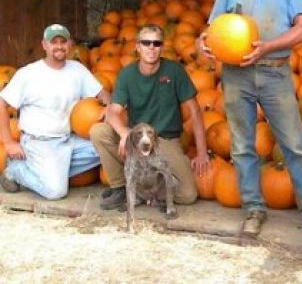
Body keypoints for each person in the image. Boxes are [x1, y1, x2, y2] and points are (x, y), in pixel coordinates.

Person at [197, 0, 302, 242]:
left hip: (274, 70)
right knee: (242, 145)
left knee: (294, 144)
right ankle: (254, 209)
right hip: (236, 74)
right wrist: (203, 42)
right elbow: (213, 28)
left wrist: (268, 46)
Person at [90, 24, 209, 210]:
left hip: (164, 139)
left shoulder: (175, 71)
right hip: (137, 138)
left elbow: (194, 111)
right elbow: (113, 111)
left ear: (162, 47)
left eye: (156, 43)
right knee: (99, 131)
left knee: (188, 195)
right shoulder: (127, 74)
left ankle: (143, 190)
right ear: (137, 47)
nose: (151, 48)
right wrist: (124, 134)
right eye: (146, 43)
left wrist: (202, 152)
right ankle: (120, 187)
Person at [0, 23, 110, 200]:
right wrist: (8, 142)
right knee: (55, 191)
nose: (59, 46)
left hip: (69, 140)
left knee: (108, 146)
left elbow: (102, 93)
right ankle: (15, 170)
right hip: (39, 142)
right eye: (54, 42)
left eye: (63, 41)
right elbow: (1, 104)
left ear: (70, 44)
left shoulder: (77, 70)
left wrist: (109, 107)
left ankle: (45, 169)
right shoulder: (28, 74)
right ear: (44, 45)